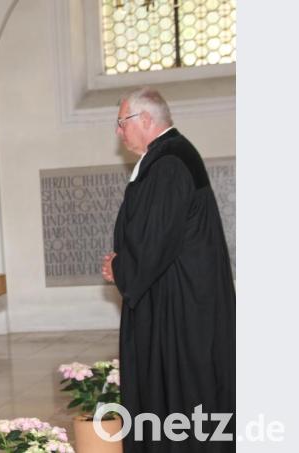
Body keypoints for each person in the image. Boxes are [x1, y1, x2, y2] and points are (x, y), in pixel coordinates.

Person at [101, 88, 234, 452]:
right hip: (179, 300)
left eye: (121, 122)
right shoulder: (170, 156)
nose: (118, 132)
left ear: (145, 120)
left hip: (181, 309)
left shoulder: (169, 163)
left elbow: (154, 239)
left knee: (183, 396)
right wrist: (125, 263)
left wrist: (122, 266)